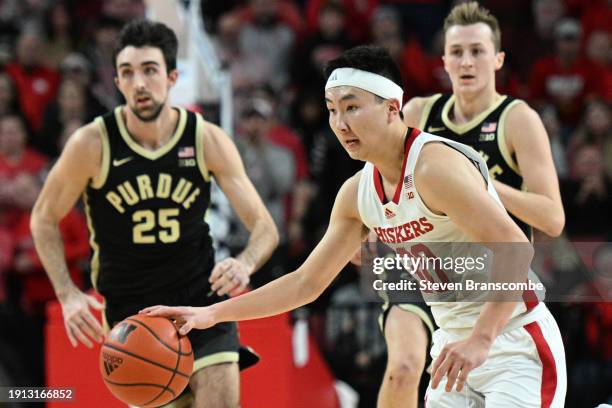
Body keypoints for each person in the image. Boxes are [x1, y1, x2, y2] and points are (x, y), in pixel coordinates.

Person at [142, 45, 567, 407]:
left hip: (513, 341)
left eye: (351, 107)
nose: (340, 124)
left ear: (391, 108)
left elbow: (516, 246)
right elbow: (305, 282)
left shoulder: (435, 167)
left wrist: (482, 338)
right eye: (332, 110)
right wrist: (210, 313)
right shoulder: (355, 194)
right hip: (452, 348)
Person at [30, 19, 278, 408]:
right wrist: (67, 293)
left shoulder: (204, 138)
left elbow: (265, 227)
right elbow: (43, 217)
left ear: (172, 76)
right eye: (127, 73)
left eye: (149, 70)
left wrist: (245, 263)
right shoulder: (92, 143)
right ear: (116, 82)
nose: (139, 83)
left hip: (200, 298)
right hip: (134, 311)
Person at [390, 2, 567, 406]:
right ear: (444, 61)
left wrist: (478, 183)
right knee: (400, 364)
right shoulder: (419, 114)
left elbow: (552, 218)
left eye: (477, 51)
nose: (467, 62)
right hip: (445, 304)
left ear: (498, 59)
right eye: (457, 52)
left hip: (502, 296)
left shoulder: (517, 118)